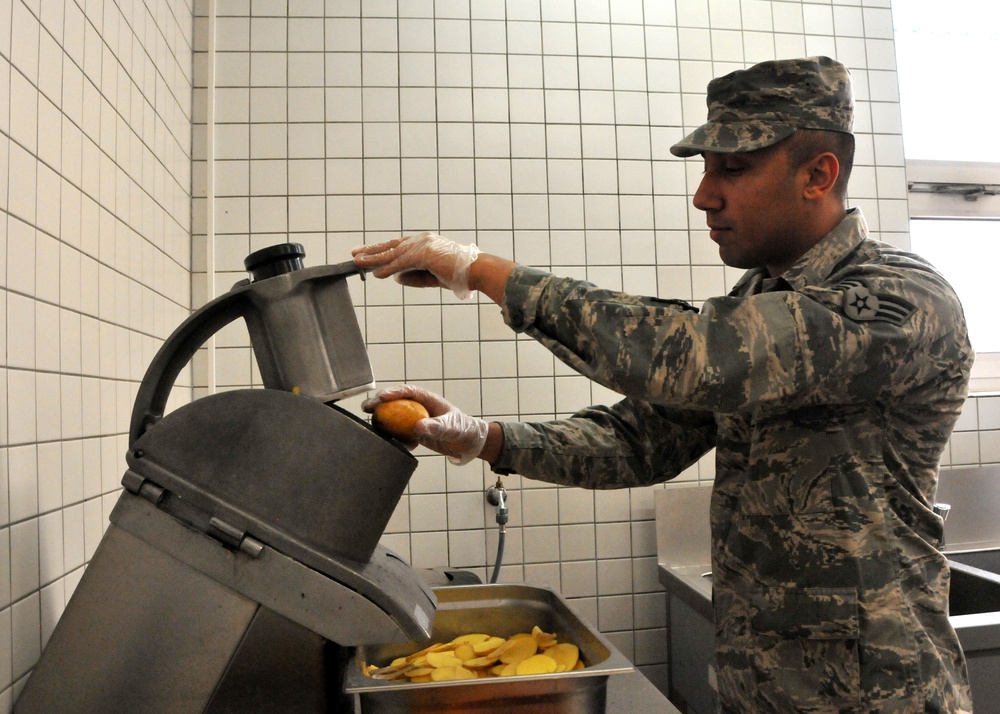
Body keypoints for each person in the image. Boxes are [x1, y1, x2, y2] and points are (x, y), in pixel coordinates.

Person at [352, 56, 974, 713]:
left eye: (731, 168)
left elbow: (686, 350)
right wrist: (485, 438)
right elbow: (640, 439)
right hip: (761, 691)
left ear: (818, 175)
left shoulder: (896, 300)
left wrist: (485, 271)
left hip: (878, 697)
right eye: (706, 169)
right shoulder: (763, 295)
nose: (705, 195)